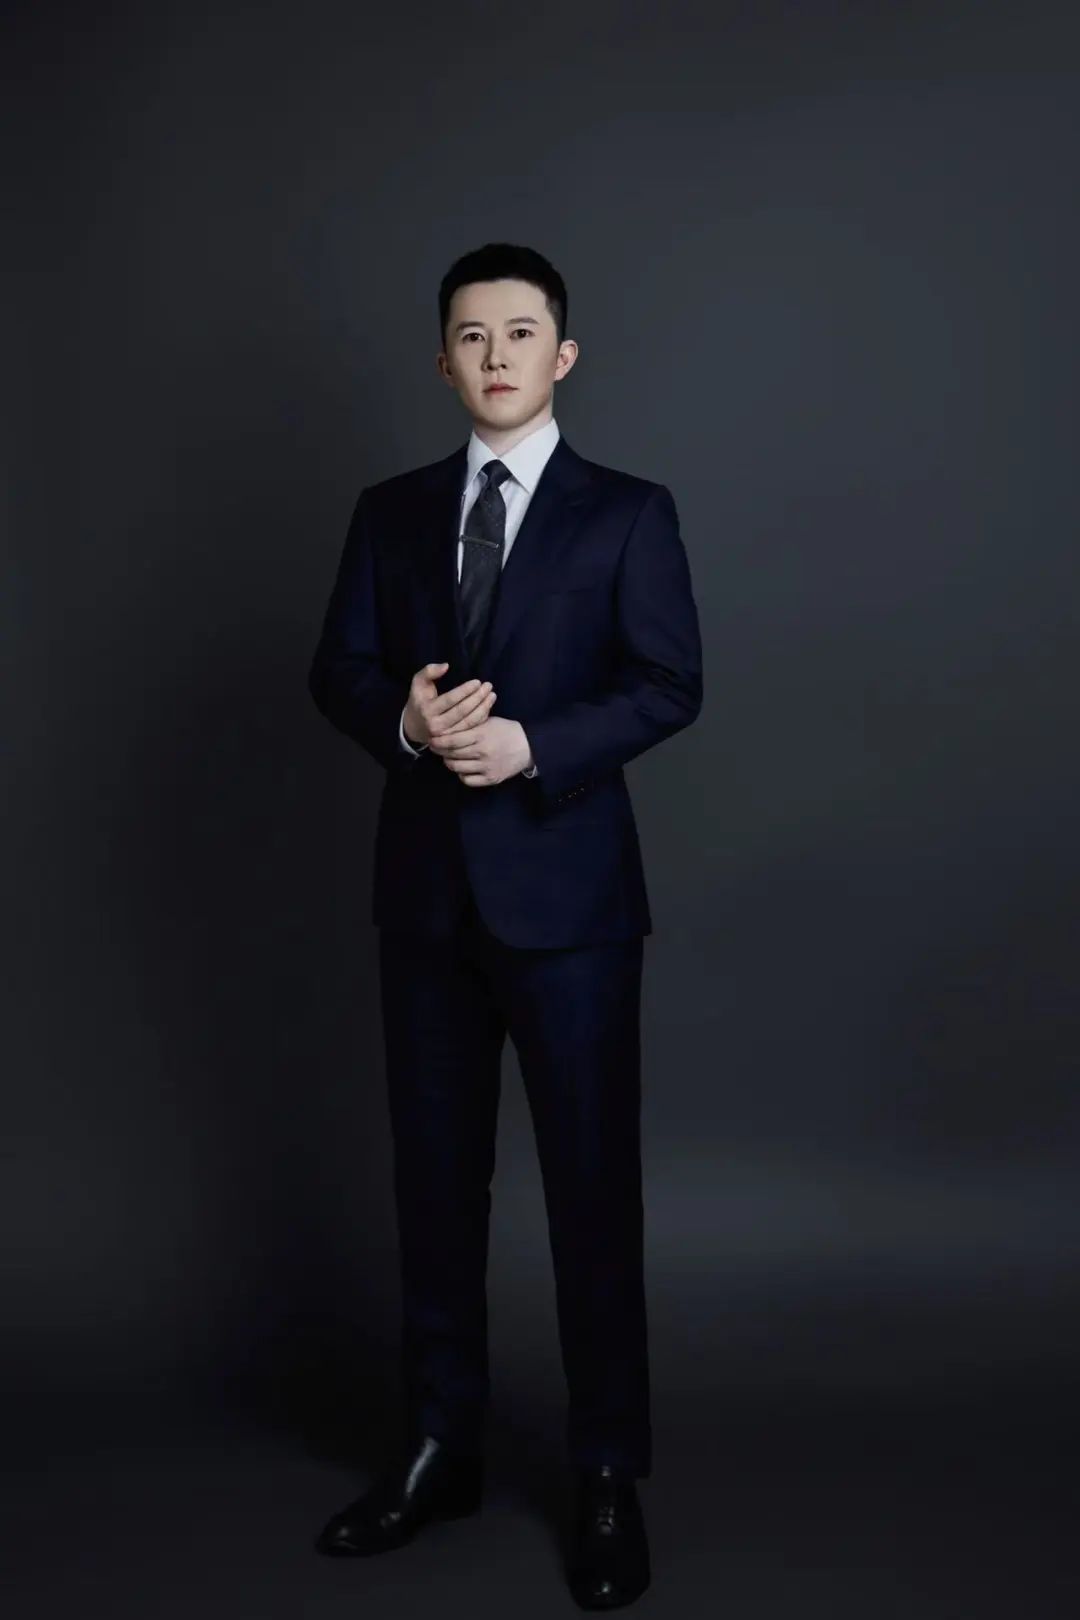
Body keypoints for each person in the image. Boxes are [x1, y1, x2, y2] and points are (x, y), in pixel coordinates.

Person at [307, 241, 702, 1609]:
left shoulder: (628, 514)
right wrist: (406, 723)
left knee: (592, 1191)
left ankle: (606, 1471)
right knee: (434, 1189)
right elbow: (339, 667)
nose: (495, 356)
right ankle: (441, 1447)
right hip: (425, 904)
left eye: (520, 333)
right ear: (443, 360)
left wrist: (537, 744)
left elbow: (669, 682)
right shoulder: (391, 511)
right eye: (471, 336)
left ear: (562, 355)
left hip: (571, 904)